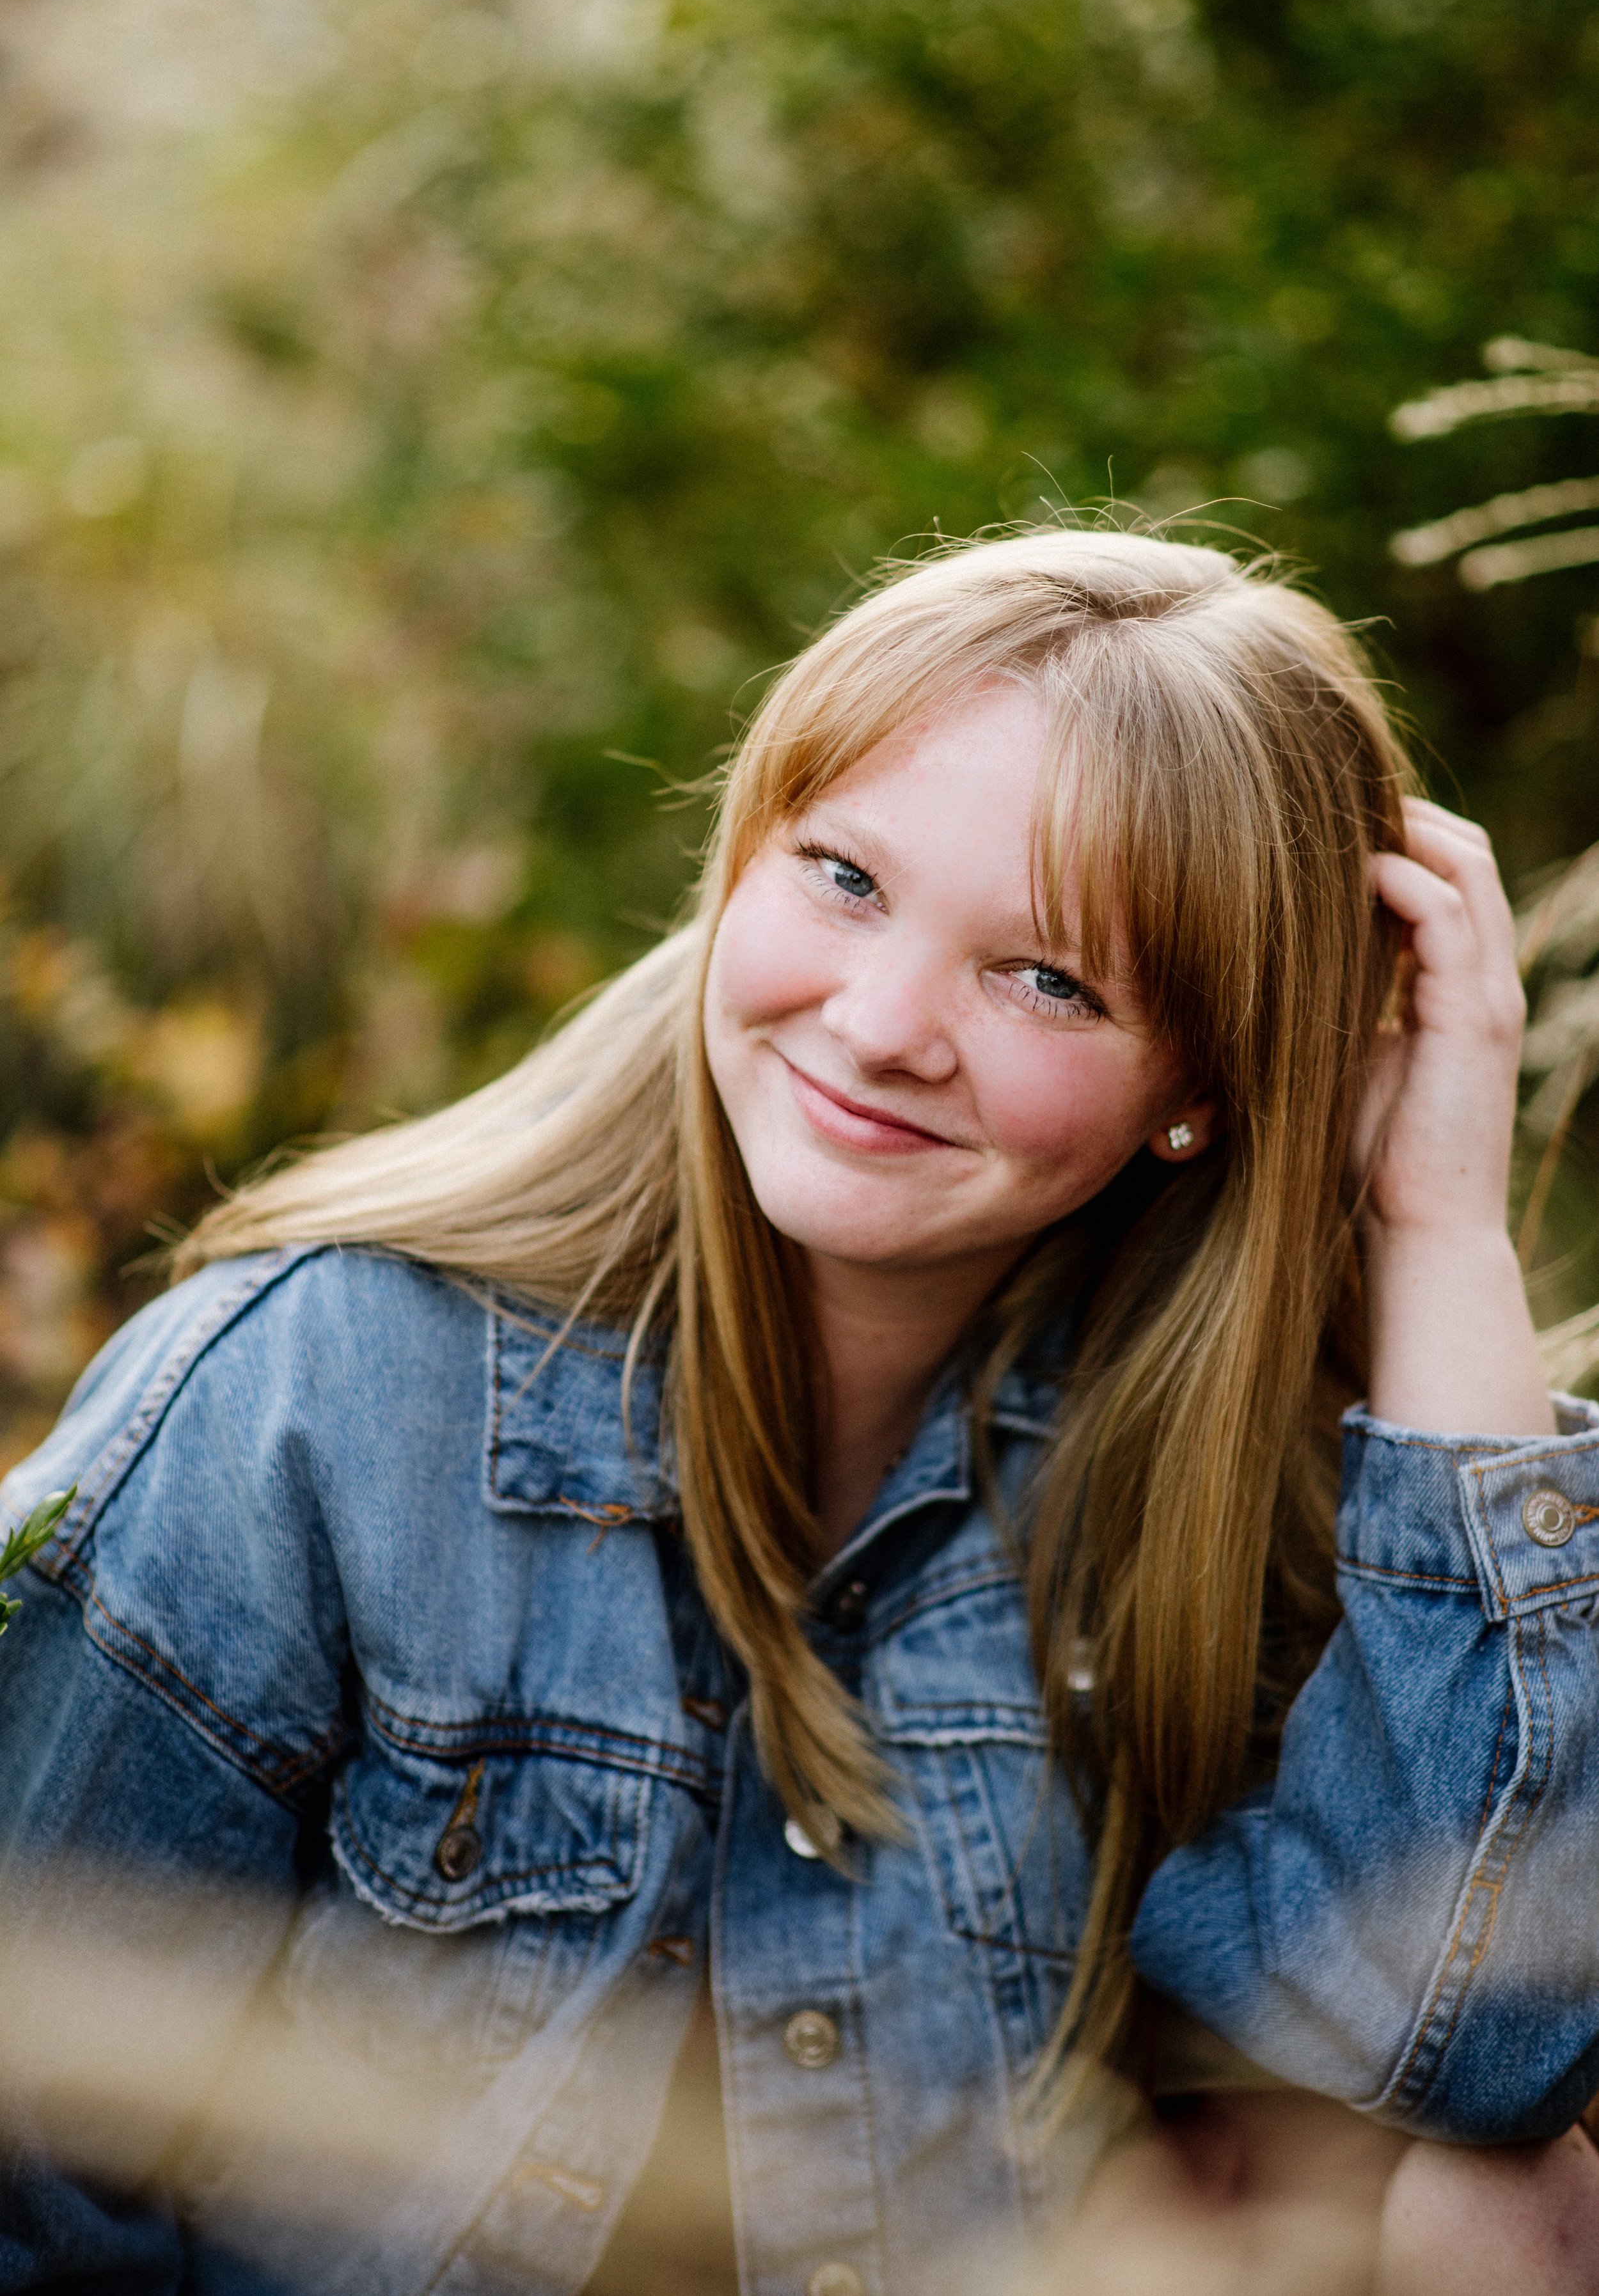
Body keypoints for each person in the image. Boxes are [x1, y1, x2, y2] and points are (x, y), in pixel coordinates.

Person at [1, 526, 1598, 2295]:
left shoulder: (1189, 1470)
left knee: (1509, 2201)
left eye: (1046, 979)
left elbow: (1472, 2054)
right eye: (842, 878)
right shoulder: (303, 1399)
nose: (883, 1021)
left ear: (1198, 1090)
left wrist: (1435, 1225)